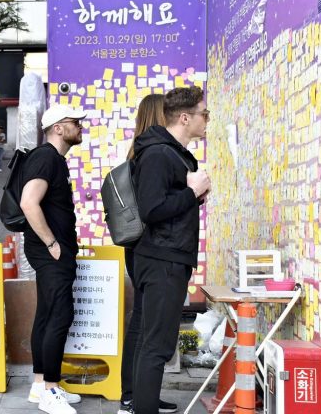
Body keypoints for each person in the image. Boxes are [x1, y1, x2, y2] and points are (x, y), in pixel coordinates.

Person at [131, 86, 211, 414]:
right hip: (163, 259)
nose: (207, 119)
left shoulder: (170, 153)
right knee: (157, 345)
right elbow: (151, 210)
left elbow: (168, 204)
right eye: (203, 114)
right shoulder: (158, 154)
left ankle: (141, 403)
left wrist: (193, 194)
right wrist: (191, 194)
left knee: (153, 342)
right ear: (184, 117)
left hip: (168, 257)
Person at [21, 104, 85, 414]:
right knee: (60, 314)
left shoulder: (51, 159)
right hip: (50, 252)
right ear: (58, 128)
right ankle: (49, 390)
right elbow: (28, 202)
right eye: (75, 122)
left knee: (47, 313)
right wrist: (52, 243)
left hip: (50, 251)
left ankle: (40, 385)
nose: (80, 126)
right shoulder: (46, 157)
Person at [118, 95, 178, 414]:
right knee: (146, 324)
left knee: (143, 321)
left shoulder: (138, 153)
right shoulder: (154, 156)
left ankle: (136, 395)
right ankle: (134, 397)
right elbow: (155, 208)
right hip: (152, 250)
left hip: (139, 248)